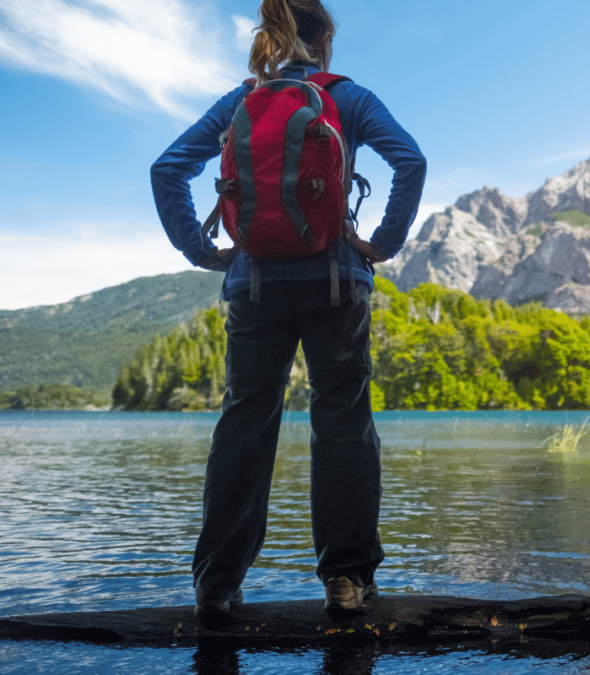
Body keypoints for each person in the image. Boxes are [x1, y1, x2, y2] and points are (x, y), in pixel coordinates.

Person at [150, 0, 425, 617]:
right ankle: (347, 581)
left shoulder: (241, 101)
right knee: (343, 424)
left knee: (244, 425)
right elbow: (410, 161)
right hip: (335, 285)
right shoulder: (347, 98)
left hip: (254, 288)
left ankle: (216, 584)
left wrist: (201, 250)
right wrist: (381, 243)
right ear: (325, 41)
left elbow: (167, 168)